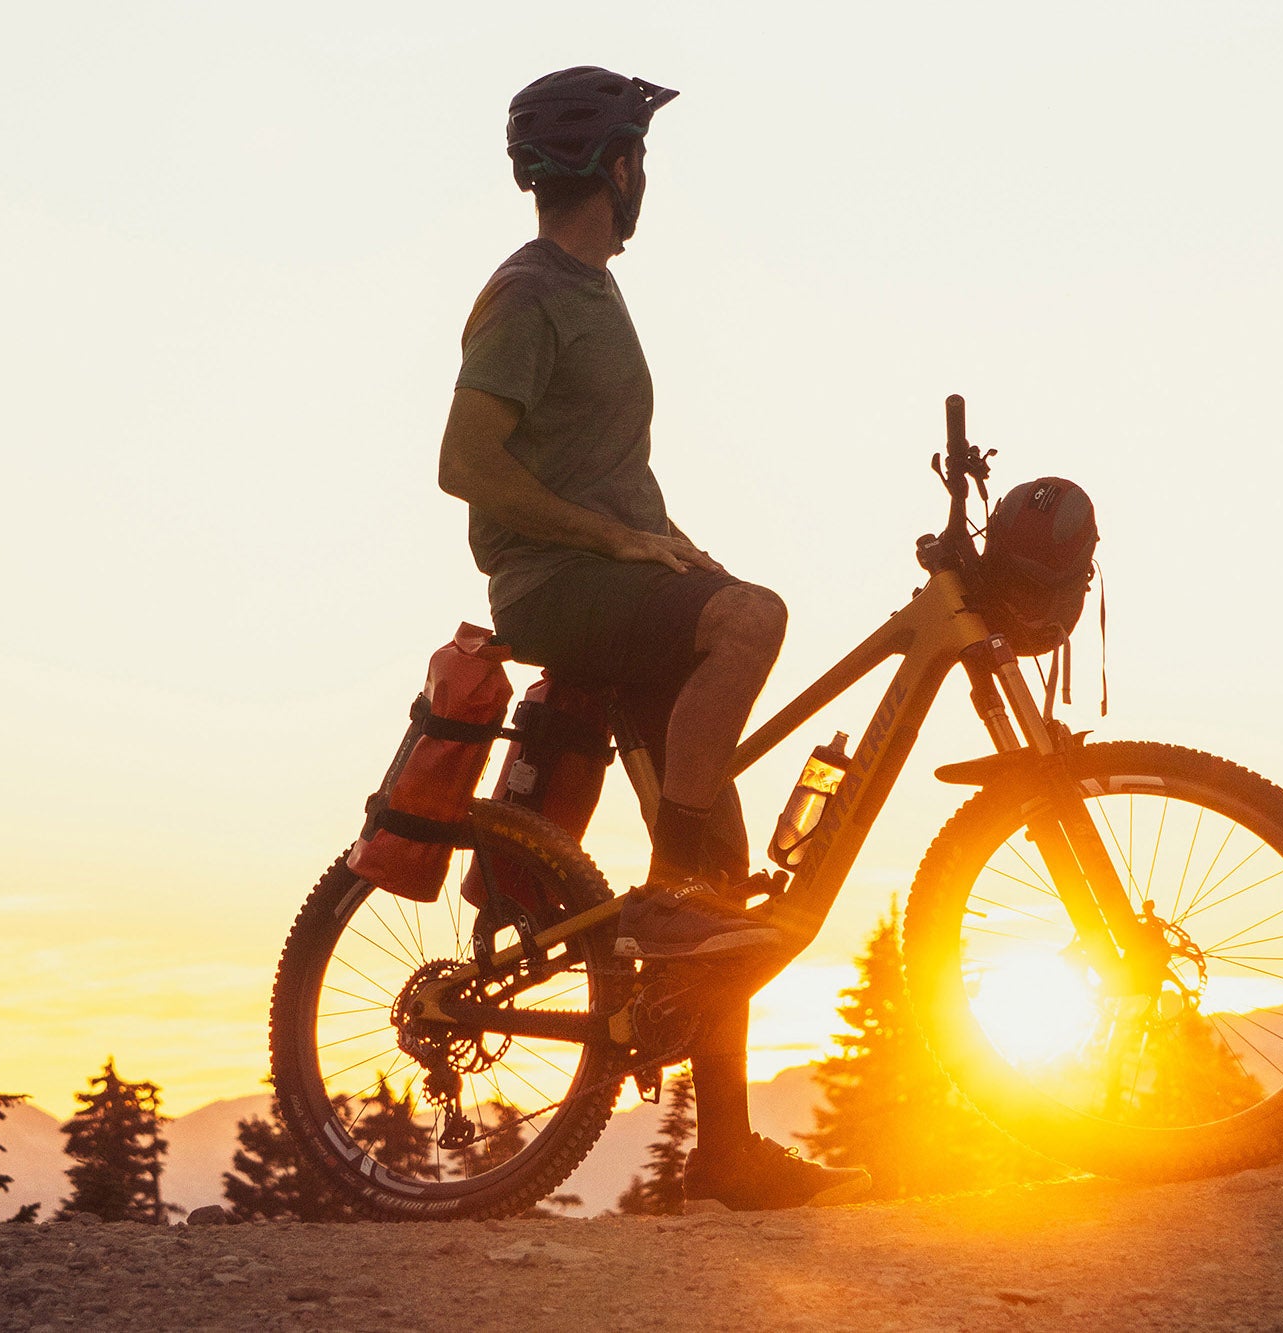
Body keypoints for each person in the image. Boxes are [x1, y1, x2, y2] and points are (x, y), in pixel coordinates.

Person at [436, 67, 870, 1211]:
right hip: (552, 585)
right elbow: (465, 465)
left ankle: (724, 1150)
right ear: (610, 165)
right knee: (755, 623)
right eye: (638, 156)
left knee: (723, 885)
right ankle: (675, 891)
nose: (645, 178)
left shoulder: (590, 288)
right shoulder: (528, 293)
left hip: (610, 571)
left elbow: (609, 472)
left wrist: (671, 548)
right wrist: (611, 542)